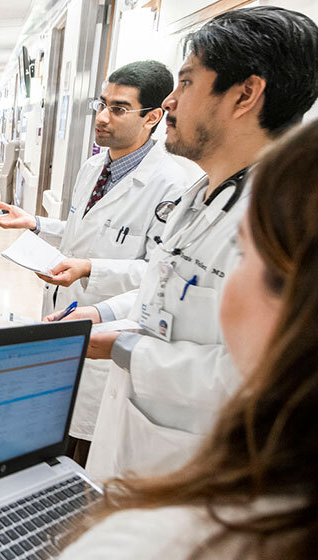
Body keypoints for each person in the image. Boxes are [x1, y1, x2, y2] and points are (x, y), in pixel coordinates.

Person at [0, 117, 318, 559]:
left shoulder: (175, 537)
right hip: (103, 330)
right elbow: (160, 278)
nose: (173, 101)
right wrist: (101, 309)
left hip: (155, 411)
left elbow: (159, 273)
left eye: (244, 254)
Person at [74, 6, 318, 481]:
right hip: (137, 446)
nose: (168, 102)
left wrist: (126, 348)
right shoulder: (205, 194)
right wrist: (104, 315)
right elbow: (165, 287)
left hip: (198, 474)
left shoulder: (285, 224)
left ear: (245, 95)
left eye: (185, 83)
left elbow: (263, 376)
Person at [0, 60, 192, 466]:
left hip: (110, 326)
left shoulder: (172, 185)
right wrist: (37, 222)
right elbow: (86, 228)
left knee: (87, 447)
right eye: (102, 103)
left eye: (118, 108)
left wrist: (90, 268)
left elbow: (160, 270)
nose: (102, 117)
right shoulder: (97, 164)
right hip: (68, 309)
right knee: (55, 425)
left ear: (152, 117)